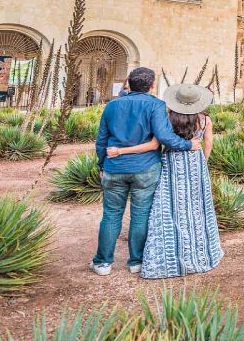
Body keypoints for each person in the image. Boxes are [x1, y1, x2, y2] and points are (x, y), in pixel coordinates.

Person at [109, 82, 223, 279]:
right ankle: (199, 250)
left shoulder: (168, 118)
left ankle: (170, 251)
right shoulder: (205, 120)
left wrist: (120, 151)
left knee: (169, 205)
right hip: (195, 164)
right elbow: (208, 144)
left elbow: (156, 143)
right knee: (196, 207)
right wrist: (202, 162)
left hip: (171, 163)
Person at [90, 67, 194, 276]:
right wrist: (188, 145)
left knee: (111, 215)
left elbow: (101, 140)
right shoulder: (156, 105)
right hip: (145, 168)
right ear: (152, 85)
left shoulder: (112, 106)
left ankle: (102, 263)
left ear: (129, 83)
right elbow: (164, 136)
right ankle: (136, 261)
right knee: (140, 215)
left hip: (115, 167)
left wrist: (102, 164)